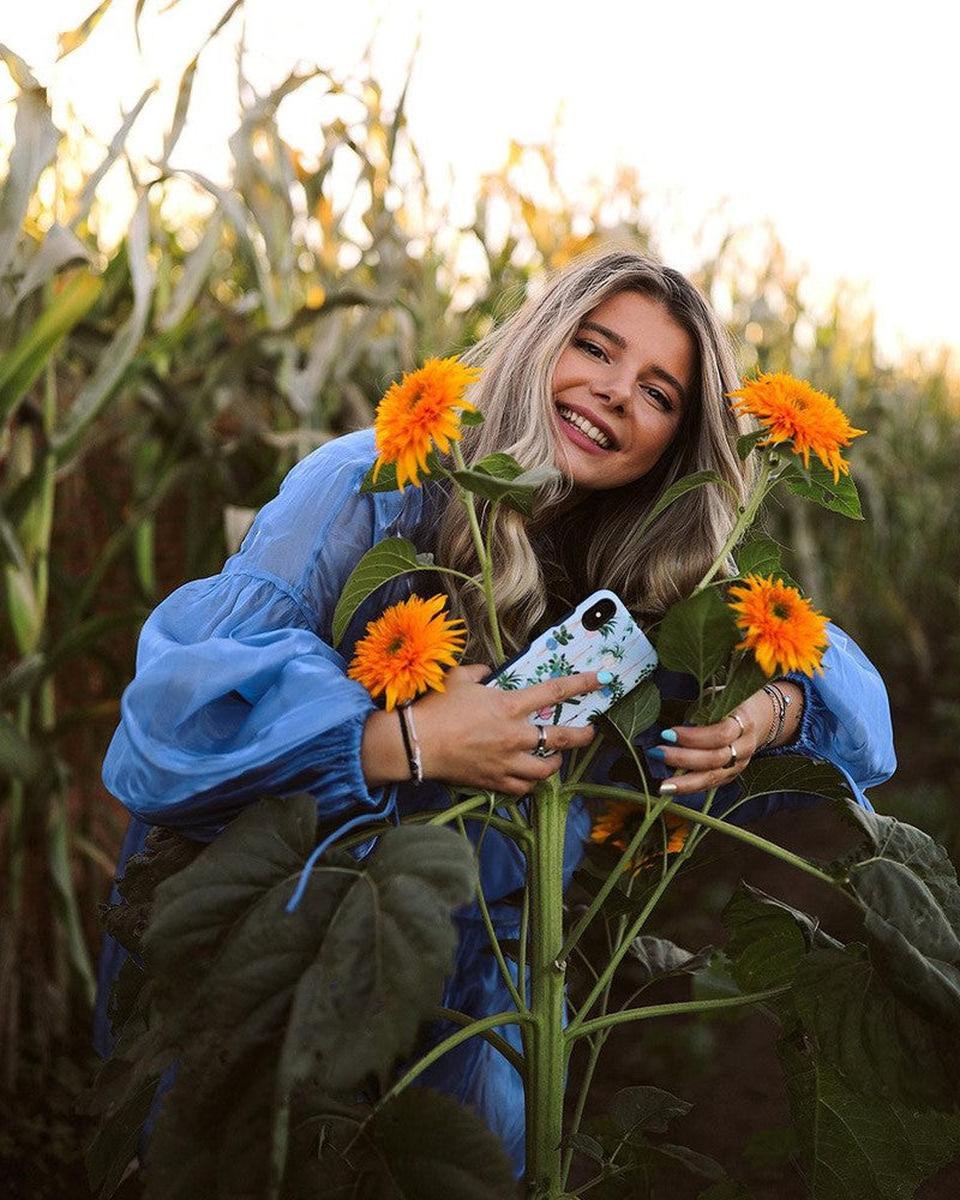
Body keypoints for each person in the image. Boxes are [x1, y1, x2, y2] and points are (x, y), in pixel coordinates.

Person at [94, 249, 896, 1176]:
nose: (613, 393)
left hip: (482, 987)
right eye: (594, 349)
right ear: (539, 342)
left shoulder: (645, 575)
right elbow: (178, 715)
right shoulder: (378, 483)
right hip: (290, 935)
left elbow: (850, 698)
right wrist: (415, 739)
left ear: (676, 442)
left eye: (659, 392)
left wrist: (772, 708)